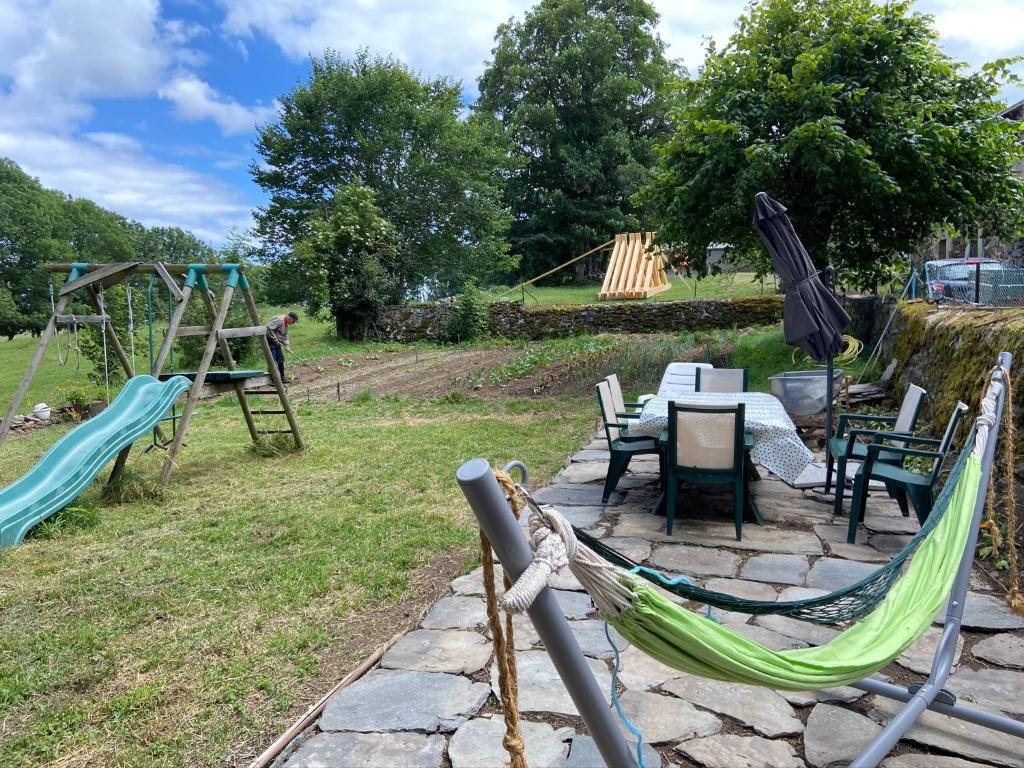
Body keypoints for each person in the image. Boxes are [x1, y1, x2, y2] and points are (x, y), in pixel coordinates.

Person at [266, 311, 298, 382]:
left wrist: (287, 346)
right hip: (270, 342)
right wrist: (275, 340)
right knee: (272, 361)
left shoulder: (286, 324)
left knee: (281, 360)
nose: (293, 323)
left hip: (277, 343)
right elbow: (268, 329)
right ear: (289, 318)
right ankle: (273, 381)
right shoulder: (279, 319)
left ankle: (282, 378)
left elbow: (285, 335)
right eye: (293, 321)